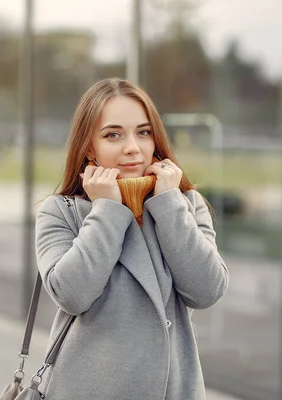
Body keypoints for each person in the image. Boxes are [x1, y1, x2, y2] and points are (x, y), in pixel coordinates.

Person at [34, 78, 229, 399]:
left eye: (143, 132)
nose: (132, 147)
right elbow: (71, 295)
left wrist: (168, 205)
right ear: (88, 147)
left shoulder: (184, 204)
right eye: (113, 135)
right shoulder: (61, 212)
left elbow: (207, 291)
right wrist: (107, 209)